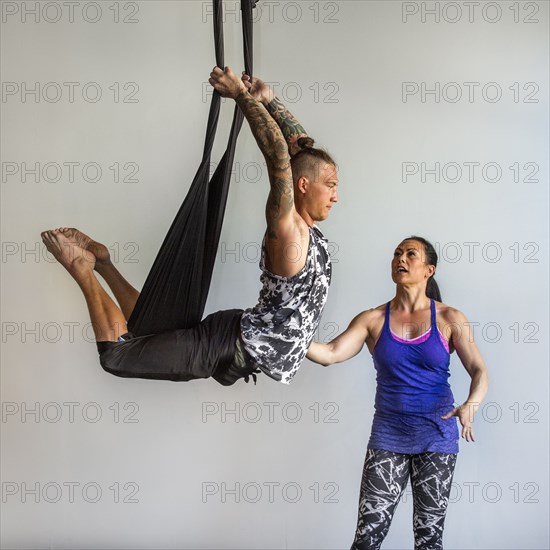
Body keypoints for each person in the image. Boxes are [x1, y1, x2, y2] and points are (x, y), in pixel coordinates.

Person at [41, 67, 338, 386]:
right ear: (303, 185)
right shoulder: (289, 227)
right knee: (117, 355)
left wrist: (270, 100)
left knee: (151, 329)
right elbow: (280, 155)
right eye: (331, 185)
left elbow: (300, 153)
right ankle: (81, 266)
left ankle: (103, 263)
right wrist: (239, 94)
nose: (336, 196)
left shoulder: (311, 234)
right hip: (226, 347)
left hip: (235, 337)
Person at [306, 236, 489, 550]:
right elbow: (331, 353)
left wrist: (471, 403)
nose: (400, 259)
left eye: (410, 254)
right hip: (389, 437)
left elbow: (479, 371)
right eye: (396, 253)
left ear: (429, 269)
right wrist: (289, 337)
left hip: (437, 437)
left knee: (428, 541)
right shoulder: (373, 319)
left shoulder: (449, 318)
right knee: (366, 539)